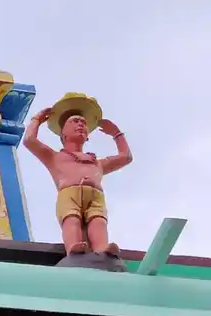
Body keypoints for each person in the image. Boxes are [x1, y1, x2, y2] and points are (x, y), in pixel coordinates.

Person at [23, 93, 133, 256]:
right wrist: (36, 120)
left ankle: (102, 250)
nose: (81, 124)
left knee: (98, 222)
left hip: (96, 197)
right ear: (63, 134)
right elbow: (29, 140)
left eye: (84, 122)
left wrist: (117, 134)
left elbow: (126, 157)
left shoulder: (97, 162)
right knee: (71, 219)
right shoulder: (55, 157)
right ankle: (74, 247)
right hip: (69, 195)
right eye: (75, 121)